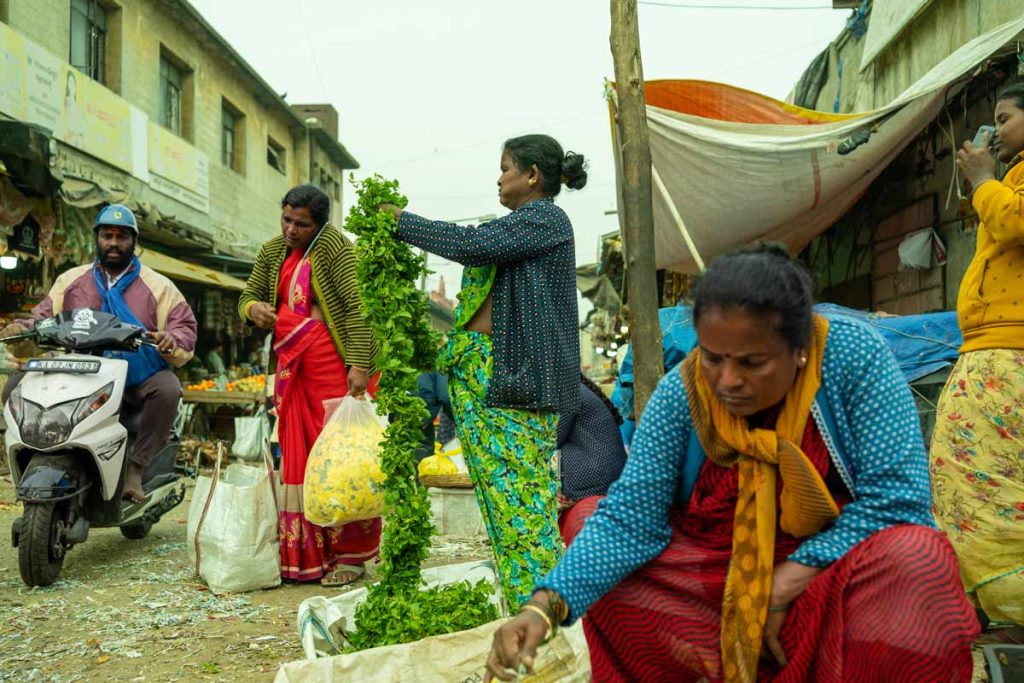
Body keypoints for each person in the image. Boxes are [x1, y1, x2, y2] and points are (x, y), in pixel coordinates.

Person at [485, 245, 979, 683]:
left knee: (916, 558)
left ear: (800, 349)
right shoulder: (686, 389)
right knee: (589, 521)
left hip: (830, 570)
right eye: (714, 357)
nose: (727, 381)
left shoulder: (854, 357)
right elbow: (629, 519)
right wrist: (542, 609)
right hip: (716, 579)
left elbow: (898, 500)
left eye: (752, 363)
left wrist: (786, 579)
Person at [381, 134, 586, 609]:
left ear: (532, 175)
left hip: (514, 382)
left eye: (506, 168)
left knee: (521, 507)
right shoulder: (522, 226)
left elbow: (470, 244)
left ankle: (544, 612)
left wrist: (402, 223)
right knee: (503, 502)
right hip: (490, 378)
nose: (499, 178)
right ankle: (530, 608)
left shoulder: (545, 218)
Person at [0, 204, 196, 503]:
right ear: (97, 238)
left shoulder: (161, 286)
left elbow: (184, 329)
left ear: (134, 241)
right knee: (15, 385)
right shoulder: (70, 280)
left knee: (168, 388)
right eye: (107, 235)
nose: (114, 242)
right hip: (75, 371)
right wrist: (20, 328)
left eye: (122, 236)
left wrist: (171, 338)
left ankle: (135, 467)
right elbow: (42, 318)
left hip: (134, 378)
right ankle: (31, 455)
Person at [239, 184, 379, 587]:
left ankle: (350, 555)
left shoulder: (336, 249)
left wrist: (359, 365)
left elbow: (357, 308)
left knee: (339, 456)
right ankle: (307, 555)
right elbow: (248, 293)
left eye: (301, 224)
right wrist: (253, 308)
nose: (291, 230)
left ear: (320, 224)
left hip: (329, 365)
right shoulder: (272, 251)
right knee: (297, 454)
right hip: (291, 367)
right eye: (286, 220)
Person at [930, 83, 1024, 627]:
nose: (997, 128)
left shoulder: (1009, 183)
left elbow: (1015, 221)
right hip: (995, 349)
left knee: (977, 478)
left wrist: (984, 179)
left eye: (1004, 117)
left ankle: (1005, 596)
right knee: (975, 480)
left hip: (1008, 352)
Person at [555, 374, 627, 541]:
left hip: (591, 476)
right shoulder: (575, 386)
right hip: (608, 474)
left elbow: (553, 438)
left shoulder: (567, 390)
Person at [416, 370, 454, 461]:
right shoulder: (437, 361)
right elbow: (444, 396)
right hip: (423, 414)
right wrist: (455, 419)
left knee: (401, 457)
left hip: (399, 411)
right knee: (423, 458)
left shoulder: (395, 358)